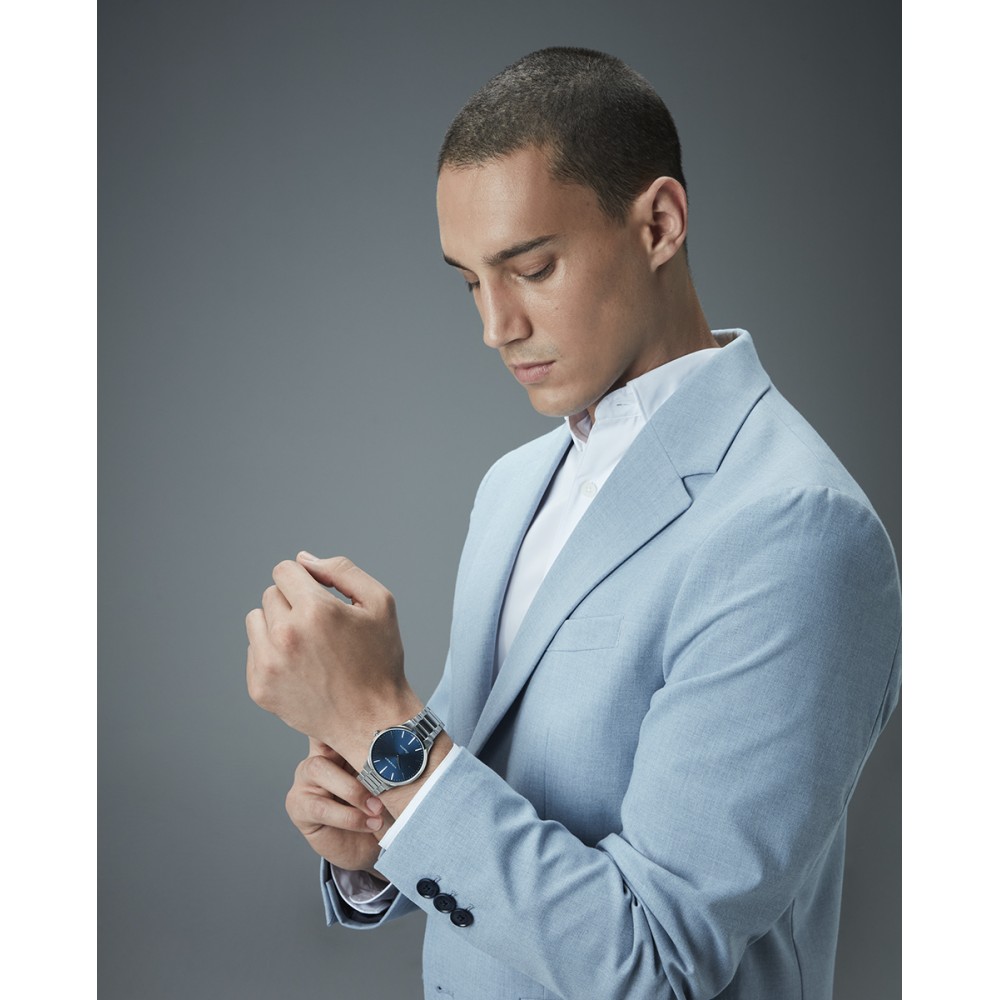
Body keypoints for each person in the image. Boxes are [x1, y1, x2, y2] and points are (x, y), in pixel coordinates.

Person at [245, 47, 901, 1000]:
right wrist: (372, 832)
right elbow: (474, 809)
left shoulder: (798, 530)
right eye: (470, 282)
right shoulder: (512, 486)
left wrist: (376, 723)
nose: (495, 325)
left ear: (659, 224)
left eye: (532, 267)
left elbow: (658, 964)